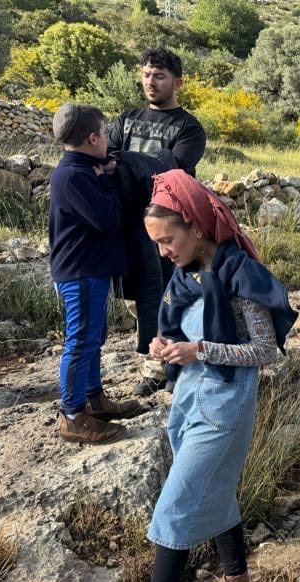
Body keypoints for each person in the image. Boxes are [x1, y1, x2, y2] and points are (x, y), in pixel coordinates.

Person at [122, 170, 297, 582]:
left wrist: (200, 350)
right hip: (188, 397)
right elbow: (174, 331)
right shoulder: (184, 276)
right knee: (215, 493)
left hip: (225, 405)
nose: (163, 252)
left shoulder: (242, 274)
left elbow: (264, 352)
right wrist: (165, 346)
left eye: (168, 240)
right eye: (156, 244)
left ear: (196, 227)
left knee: (175, 507)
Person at [108, 46, 207, 396]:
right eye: (147, 74)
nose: (151, 82)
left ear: (177, 82)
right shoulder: (125, 119)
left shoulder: (189, 127)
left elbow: (172, 168)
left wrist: (127, 160)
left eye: (160, 76)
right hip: (128, 226)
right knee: (138, 301)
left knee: (173, 297)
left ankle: (168, 369)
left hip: (170, 227)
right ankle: (160, 358)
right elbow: (108, 160)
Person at [48, 103, 141, 445]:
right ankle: (72, 415)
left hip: (89, 269)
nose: (106, 139)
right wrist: (110, 182)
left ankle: (94, 400)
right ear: (92, 138)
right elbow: (107, 219)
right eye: (103, 134)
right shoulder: (75, 176)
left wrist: (102, 174)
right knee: (80, 340)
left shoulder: (83, 168)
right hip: (82, 271)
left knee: (93, 336)